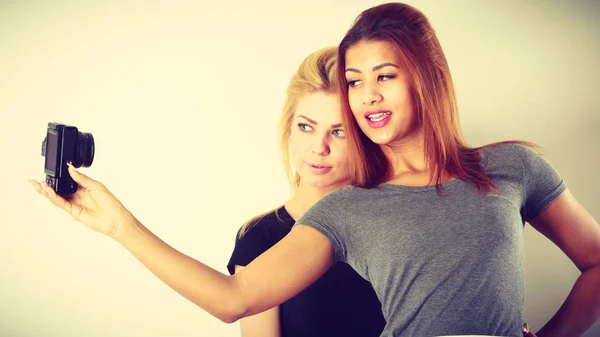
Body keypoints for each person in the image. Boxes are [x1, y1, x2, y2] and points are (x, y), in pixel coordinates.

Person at [29, 2, 600, 337]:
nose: (368, 96)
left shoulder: (513, 167)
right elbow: (236, 298)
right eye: (355, 81)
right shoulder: (346, 210)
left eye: (386, 75)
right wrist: (119, 226)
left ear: (426, 76)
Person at [226, 46, 385, 337]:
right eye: (306, 127)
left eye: (340, 132)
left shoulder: (393, 222)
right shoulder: (261, 237)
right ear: (289, 128)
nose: (318, 147)